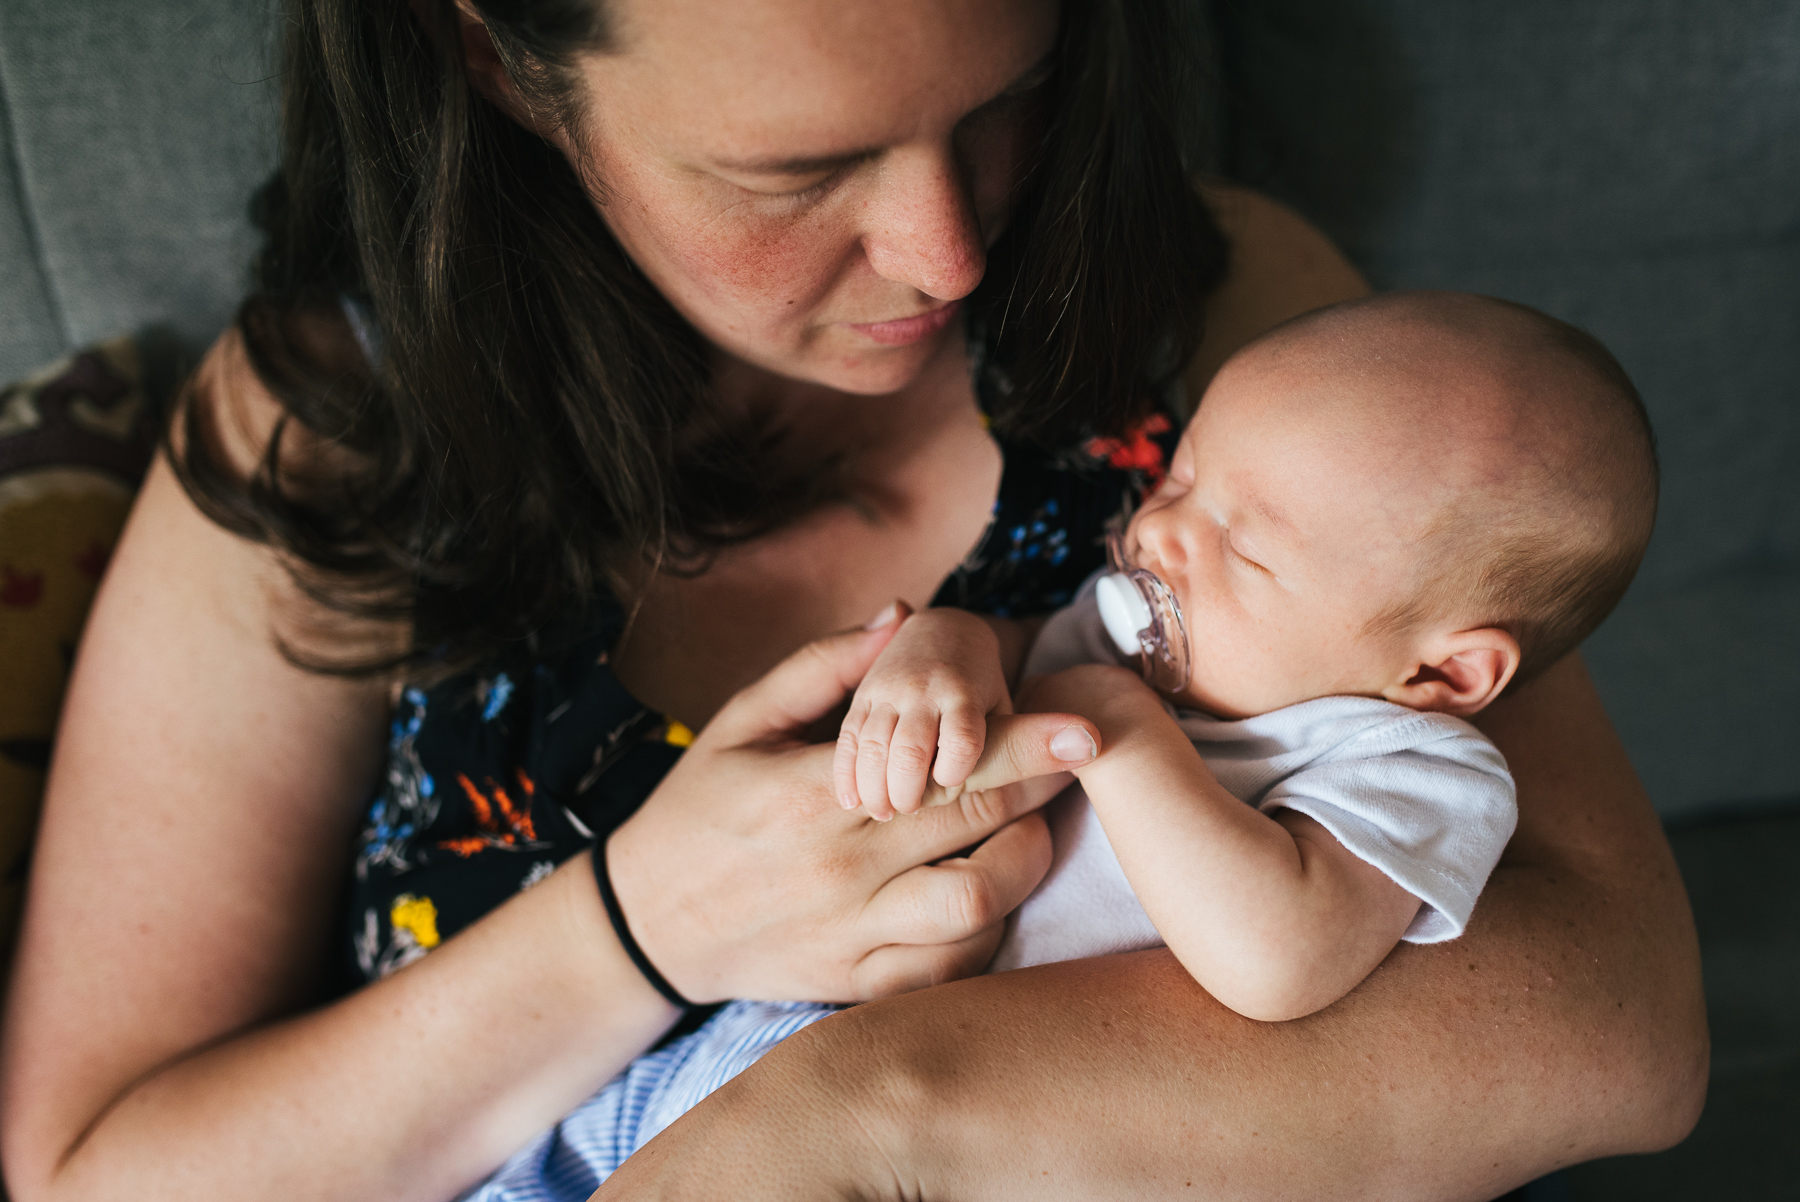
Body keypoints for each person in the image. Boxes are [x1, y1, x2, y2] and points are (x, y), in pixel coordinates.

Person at [0, 1, 1704, 1201]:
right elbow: (98, 1170)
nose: (948, 250)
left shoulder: (1255, 337)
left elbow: (1617, 1025)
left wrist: (856, 1115)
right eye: (793, 170)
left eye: (999, 105)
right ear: (506, 64)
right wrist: (640, 930)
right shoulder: (334, 426)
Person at [456, 291, 1660, 1197]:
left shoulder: (1408, 768)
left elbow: (1279, 960)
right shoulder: (1124, 640)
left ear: (1444, 670)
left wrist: (1128, 739)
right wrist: (945, 651)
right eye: (1185, 472)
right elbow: (1007, 651)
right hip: (776, 1039)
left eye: (1247, 546)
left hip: (1019, 1139)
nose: (1168, 528)